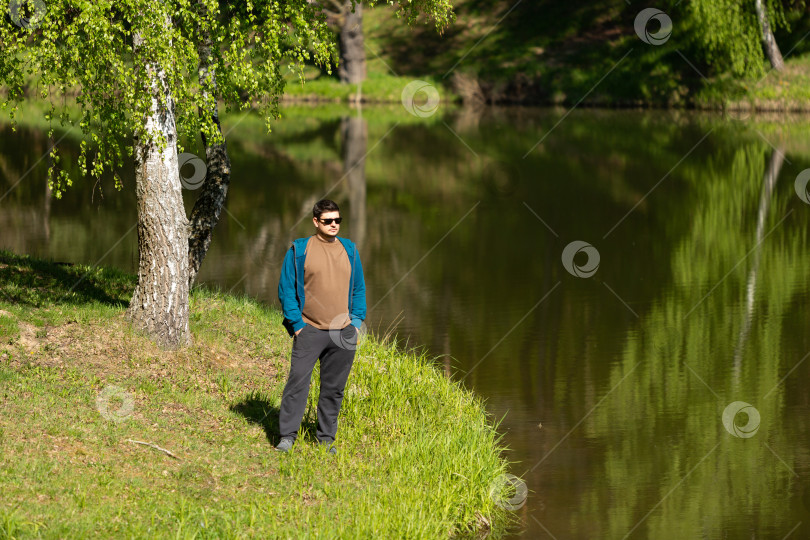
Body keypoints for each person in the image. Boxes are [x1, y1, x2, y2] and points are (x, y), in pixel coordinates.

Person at [275, 199, 366, 454]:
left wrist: (356, 323)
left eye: (337, 220)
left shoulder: (350, 250)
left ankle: (326, 438)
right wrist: (298, 325)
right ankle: (287, 437)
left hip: (343, 331)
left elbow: (359, 288)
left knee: (334, 388)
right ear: (316, 222)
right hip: (310, 329)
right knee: (297, 384)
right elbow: (287, 290)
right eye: (328, 221)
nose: (334, 225)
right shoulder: (299, 250)